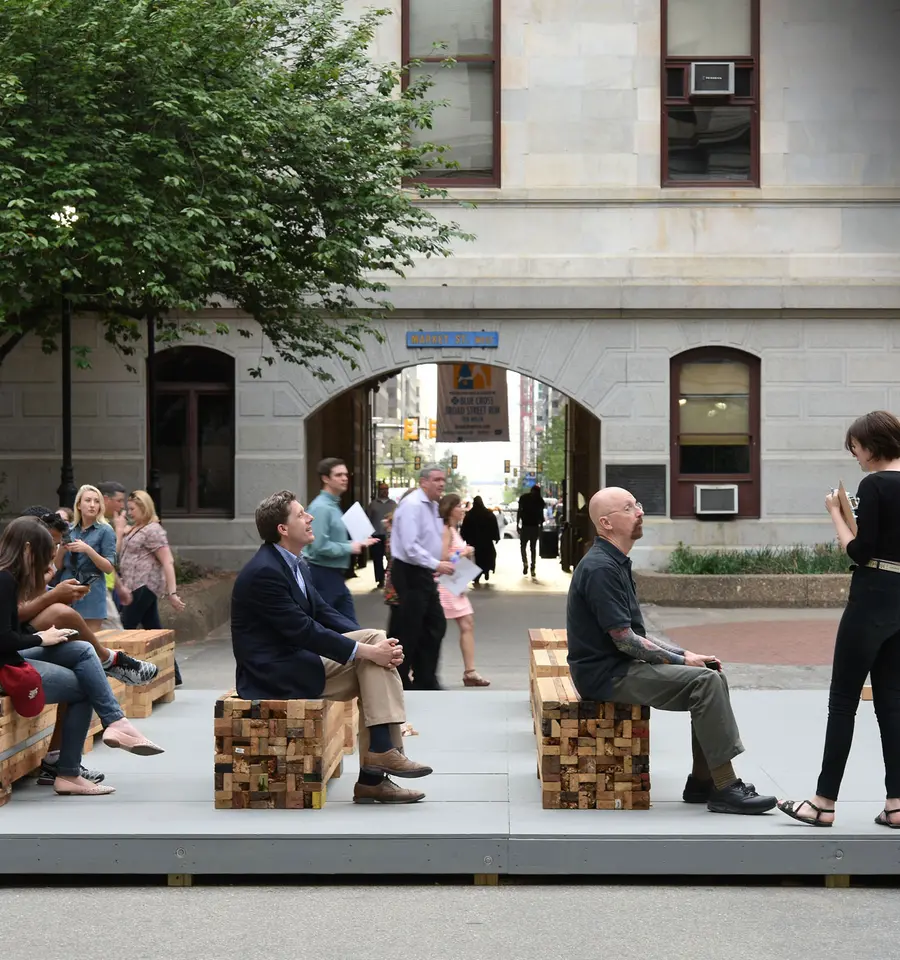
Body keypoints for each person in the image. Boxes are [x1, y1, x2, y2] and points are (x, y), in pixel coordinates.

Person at [567, 485, 777, 815]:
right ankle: (725, 787)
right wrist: (681, 659)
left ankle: (702, 782)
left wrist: (687, 655)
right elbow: (625, 640)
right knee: (704, 683)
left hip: (620, 666)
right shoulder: (600, 569)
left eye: (637, 504)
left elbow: (635, 635)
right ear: (606, 523)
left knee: (709, 675)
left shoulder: (615, 562)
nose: (639, 511)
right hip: (605, 674)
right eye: (628, 508)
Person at [231, 490, 433, 804]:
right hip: (274, 673)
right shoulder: (264, 573)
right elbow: (304, 630)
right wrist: (369, 651)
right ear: (282, 529)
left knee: (377, 646)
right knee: (373, 659)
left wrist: (377, 646)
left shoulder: (294, 563)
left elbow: (324, 613)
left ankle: (378, 761)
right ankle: (376, 769)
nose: (309, 517)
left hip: (297, 658)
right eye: (300, 514)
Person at [778, 411, 900, 829]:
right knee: (892, 702)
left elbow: (859, 552)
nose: (857, 458)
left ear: (872, 445)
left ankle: (823, 802)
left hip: (871, 598)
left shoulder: (875, 484)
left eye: (857, 449)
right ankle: (896, 805)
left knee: (843, 700)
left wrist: (836, 512)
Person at [0, 517, 164, 796]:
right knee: (85, 685)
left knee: (83, 650)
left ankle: (115, 723)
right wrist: (41, 638)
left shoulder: (8, 579)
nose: (46, 567)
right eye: (43, 558)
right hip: (5, 666)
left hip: (11, 658)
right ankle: (69, 772)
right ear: (28, 550)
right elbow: (3, 638)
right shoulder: (3, 580)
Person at [19, 506, 159, 687]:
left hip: (31, 637)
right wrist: (54, 595)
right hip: (15, 649)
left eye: (57, 545)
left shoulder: (34, 566)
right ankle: (110, 661)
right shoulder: (9, 569)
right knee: (67, 623)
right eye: (51, 544)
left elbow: (109, 564)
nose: (53, 551)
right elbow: (15, 617)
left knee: (84, 652)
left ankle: (114, 699)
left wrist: (56, 591)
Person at [389, 465, 454, 690]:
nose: (441, 484)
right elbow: (410, 547)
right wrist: (436, 563)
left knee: (434, 623)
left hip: (424, 572)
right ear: (423, 482)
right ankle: (400, 679)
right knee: (410, 627)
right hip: (409, 571)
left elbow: (431, 540)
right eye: (436, 479)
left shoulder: (433, 507)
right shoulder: (412, 506)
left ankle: (426, 677)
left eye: (443, 479)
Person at [303, 458, 376, 626]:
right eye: (338, 475)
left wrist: (358, 542)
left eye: (346, 474)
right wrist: (350, 547)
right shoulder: (321, 507)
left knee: (349, 631)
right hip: (322, 574)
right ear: (325, 478)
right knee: (337, 631)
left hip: (333, 576)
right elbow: (317, 546)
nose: (345, 478)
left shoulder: (333, 505)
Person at [438, 494, 489, 687]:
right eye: (459, 506)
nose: (463, 510)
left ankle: (470, 671)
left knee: (467, 623)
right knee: (434, 628)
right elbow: (442, 558)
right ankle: (412, 667)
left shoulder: (453, 529)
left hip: (455, 583)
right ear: (450, 509)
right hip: (446, 585)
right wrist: (463, 552)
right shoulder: (446, 530)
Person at [61, 484, 116, 632]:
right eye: (88, 500)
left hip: (91, 589)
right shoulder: (69, 530)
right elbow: (57, 566)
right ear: (79, 505)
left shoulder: (105, 530)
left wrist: (88, 550)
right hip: (67, 586)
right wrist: (61, 548)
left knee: (90, 639)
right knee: (66, 637)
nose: (92, 505)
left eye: (97, 501)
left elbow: (109, 567)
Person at [97, 481, 128, 629]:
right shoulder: (97, 524)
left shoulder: (106, 523)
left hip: (106, 587)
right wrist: (120, 532)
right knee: (116, 634)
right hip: (97, 589)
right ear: (105, 499)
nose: (122, 506)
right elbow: (109, 557)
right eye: (119, 501)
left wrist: (120, 587)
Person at [460, 496, 500, 586]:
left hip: (473, 542)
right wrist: (496, 537)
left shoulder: (470, 515)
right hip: (486, 542)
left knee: (476, 560)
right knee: (487, 558)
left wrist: (462, 538)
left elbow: (464, 528)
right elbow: (494, 526)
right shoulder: (488, 514)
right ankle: (486, 571)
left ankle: (476, 576)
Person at [366, 482, 396, 589]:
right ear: (379, 490)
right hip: (376, 535)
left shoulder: (393, 504)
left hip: (390, 536)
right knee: (377, 559)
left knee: (391, 559)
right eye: (382, 489)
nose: (384, 491)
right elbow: (367, 519)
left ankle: (390, 578)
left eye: (386, 489)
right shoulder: (373, 504)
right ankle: (380, 579)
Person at [517, 484, 546, 577]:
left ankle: (525, 563)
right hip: (534, 527)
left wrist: (518, 524)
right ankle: (532, 566)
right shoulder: (540, 500)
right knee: (532, 548)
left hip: (526, 526)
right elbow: (541, 515)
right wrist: (541, 526)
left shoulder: (524, 498)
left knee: (523, 546)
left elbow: (519, 511)